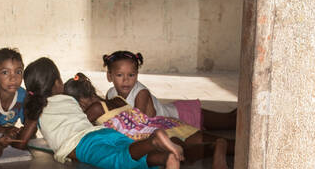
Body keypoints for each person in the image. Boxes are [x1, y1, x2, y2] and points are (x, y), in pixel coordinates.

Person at [13, 58, 182, 169]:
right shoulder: (68, 99)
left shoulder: (37, 110)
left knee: (118, 160)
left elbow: (21, 143)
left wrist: (12, 139)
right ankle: (166, 158)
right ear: (58, 83)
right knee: (134, 159)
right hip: (101, 132)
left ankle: (153, 140)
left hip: (83, 145)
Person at [65, 72, 234, 169]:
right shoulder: (116, 99)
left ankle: (214, 147)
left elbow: (81, 130)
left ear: (79, 102)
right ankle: (219, 144)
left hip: (146, 133)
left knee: (183, 152)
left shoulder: (94, 109)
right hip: (161, 123)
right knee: (195, 140)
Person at [102, 50, 238, 134]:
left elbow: (138, 121)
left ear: (137, 75)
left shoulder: (141, 93)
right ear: (110, 76)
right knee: (228, 122)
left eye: (131, 75)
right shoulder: (110, 94)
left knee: (230, 121)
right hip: (171, 119)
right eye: (120, 75)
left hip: (182, 116)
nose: (126, 80)